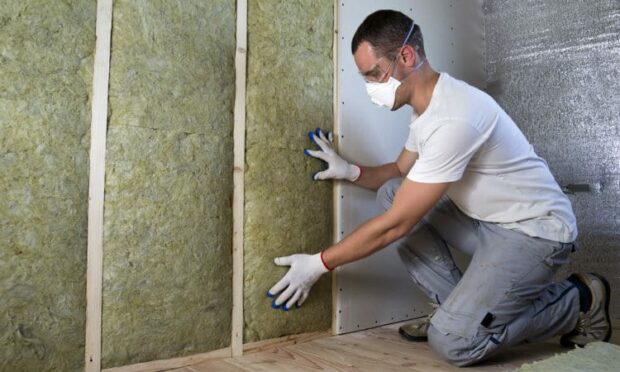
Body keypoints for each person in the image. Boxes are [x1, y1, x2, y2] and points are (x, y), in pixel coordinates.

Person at [266, 9, 612, 366]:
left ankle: (579, 299)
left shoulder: (455, 116)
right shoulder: (424, 112)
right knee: (392, 193)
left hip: (535, 233)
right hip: (489, 224)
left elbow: (396, 225)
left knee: (453, 344)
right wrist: (349, 170)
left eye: (374, 74)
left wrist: (319, 264)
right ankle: (456, 314)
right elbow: (399, 171)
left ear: (406, 56)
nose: (371, 87)